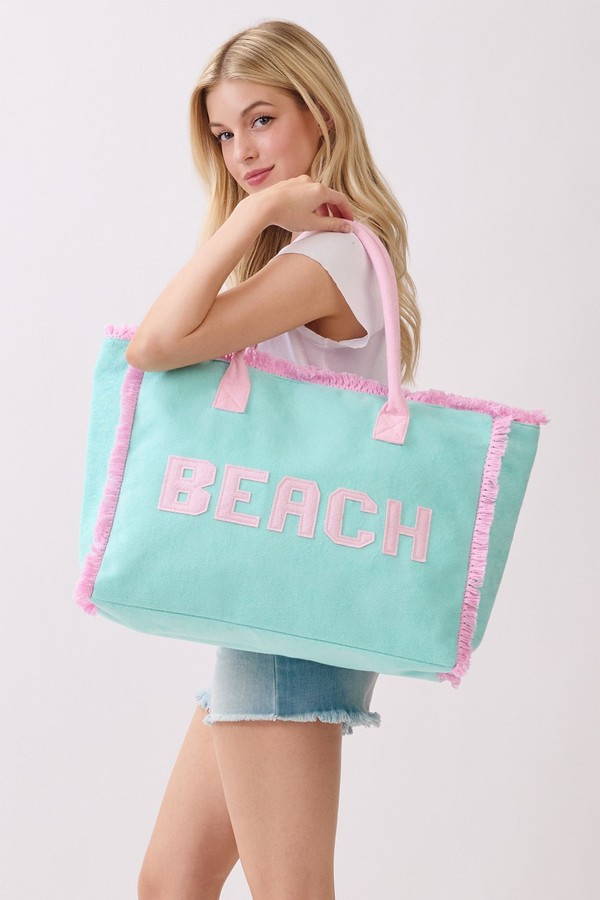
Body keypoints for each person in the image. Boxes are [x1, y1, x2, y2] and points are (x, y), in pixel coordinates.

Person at [127, 19, 420, 900]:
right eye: (224, 134)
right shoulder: (325, 251)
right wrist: (257, 217)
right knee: (172, 882)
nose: (243, 152)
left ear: (319, 114)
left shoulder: (326, 257)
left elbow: (154, 345)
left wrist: (252, 212)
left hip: (289, 609)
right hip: (275, 601)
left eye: (261, 120)